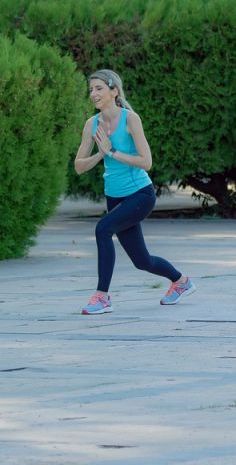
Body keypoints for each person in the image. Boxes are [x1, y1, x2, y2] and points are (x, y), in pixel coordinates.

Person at [73, 69, 196, 315]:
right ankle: (181, 282)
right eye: (91, 90)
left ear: (114, 91)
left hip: (140, 194)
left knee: (102, 229)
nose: (93, 94)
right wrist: (101, 152)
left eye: (98, 88)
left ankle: (102, 297)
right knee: (142, 261)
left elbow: (146, 161)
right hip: (114, 196)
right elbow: (78, 166)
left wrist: (113, 152)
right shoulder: (92, 124)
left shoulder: (130, 119)